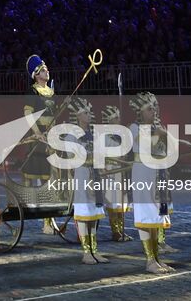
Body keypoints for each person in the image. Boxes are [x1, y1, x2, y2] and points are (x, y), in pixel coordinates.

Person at [129, 92, 173, 273]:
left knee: (156, 217)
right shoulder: (134, 127)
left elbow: (169, 150)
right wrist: (160, 135)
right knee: (146, 216)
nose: (153, 110)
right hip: (143, 174)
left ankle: (157, 257)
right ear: (140, 111)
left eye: (154, 107)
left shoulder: (158, 127)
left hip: (158, 174)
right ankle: (149, 260)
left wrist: (165, 136)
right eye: (149, 108)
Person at [68, 98, 109, 264]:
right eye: (85, 112)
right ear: (78, 116)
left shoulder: (92, 134)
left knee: (94, 215)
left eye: (89, 112)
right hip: (82, 174)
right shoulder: (73, 135)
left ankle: (94, 250)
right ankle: (86, 252)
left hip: (94, 174)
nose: (89, 115)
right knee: (84, 214)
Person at [23, 54, 60, 235]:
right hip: (38, 139)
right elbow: (29, 114)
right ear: (37, 74)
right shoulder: (33, 92)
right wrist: (38, 133)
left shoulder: (52, 93)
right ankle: (45, 221)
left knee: (50, 182)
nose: (48, 71)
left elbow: (53, 117)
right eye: (44, 70)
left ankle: (49, 220)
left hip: (49, 138)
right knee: (42, 179)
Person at [99, 104, 132, 242]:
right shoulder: (104, 136)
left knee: (121, 203)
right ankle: (115, 231)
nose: (119, 120)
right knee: (113, 202)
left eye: (119, 117)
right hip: (110, 171)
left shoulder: (120, 135)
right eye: (116, 118)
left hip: (121, 171)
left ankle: (121, 229)